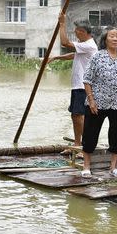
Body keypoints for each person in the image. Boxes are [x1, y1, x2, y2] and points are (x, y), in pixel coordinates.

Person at [81, 27, 117, 178]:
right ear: (105, 39)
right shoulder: (97, 57)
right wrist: (91, 100)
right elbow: (87, 80)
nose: (115, 39)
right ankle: (86, 166)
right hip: (97, 103)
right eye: (112, 36)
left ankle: (113, 167)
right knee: (90, 134)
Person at [48, 14, 98, 146]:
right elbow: (73, 55)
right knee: (75, 116)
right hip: (78, 86)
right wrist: (56, 57)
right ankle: (77, 144)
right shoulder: (84, 45)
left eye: (76, 31)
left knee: (79, 115)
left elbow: (65, 43)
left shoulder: (89, 45)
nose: (75, 34)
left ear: (82, 32)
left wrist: (62, 24)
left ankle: (82, 145)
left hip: (83, 86)